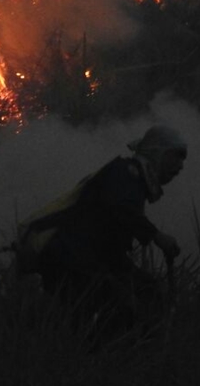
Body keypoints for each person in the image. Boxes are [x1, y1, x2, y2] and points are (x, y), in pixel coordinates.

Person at [22, 125, 186, 342]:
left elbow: (110, 244)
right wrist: (156, 235)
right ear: (158, 153)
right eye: (176, 157)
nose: (181, 166)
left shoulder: (134, 182)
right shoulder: (126, 173)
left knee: (144, 292)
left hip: (80, 258)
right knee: (113, 312)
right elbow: (119, 206)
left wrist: (141, 282)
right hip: (66, 257)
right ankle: (95, 361)